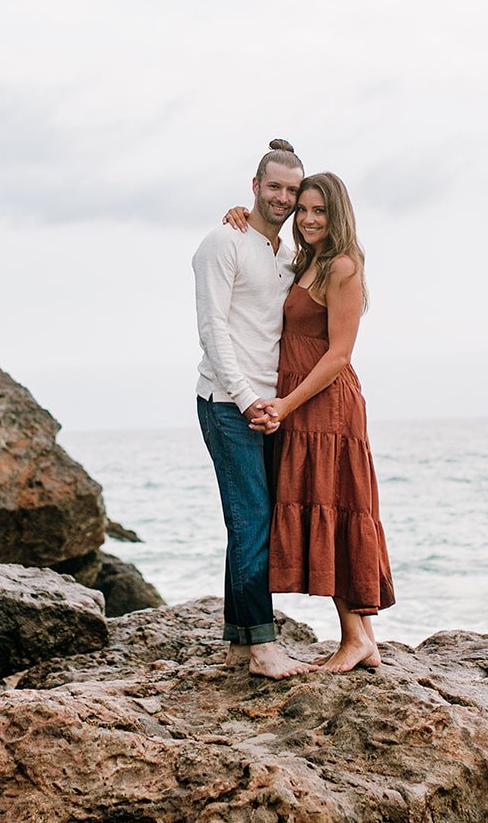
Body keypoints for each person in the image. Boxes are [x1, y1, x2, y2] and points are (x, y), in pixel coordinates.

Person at [227, 172, 395, 673]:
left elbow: (339, 355)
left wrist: (286, 404)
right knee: (333, 506)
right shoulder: (304, 261)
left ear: (338, 213)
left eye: (319, 210)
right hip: (303, 406)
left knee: (335, 507)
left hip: (324, 405)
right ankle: (365, 637)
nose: (309, 218)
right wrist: (240, 216)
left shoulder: (342, 267)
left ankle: (353, 637)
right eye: (303, 210)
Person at [193, 140, 316, 679]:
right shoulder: (223, 242)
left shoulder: (288, 258)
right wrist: (246, 401)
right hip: (226, 404)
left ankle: (240, 644)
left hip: (271, 408)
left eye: (292, 190)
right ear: (254, 186)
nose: (283, 198)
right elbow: (213, 330)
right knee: (252, 521)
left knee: (250, 523)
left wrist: (276, 406)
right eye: (275, 187)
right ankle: (263, 645)